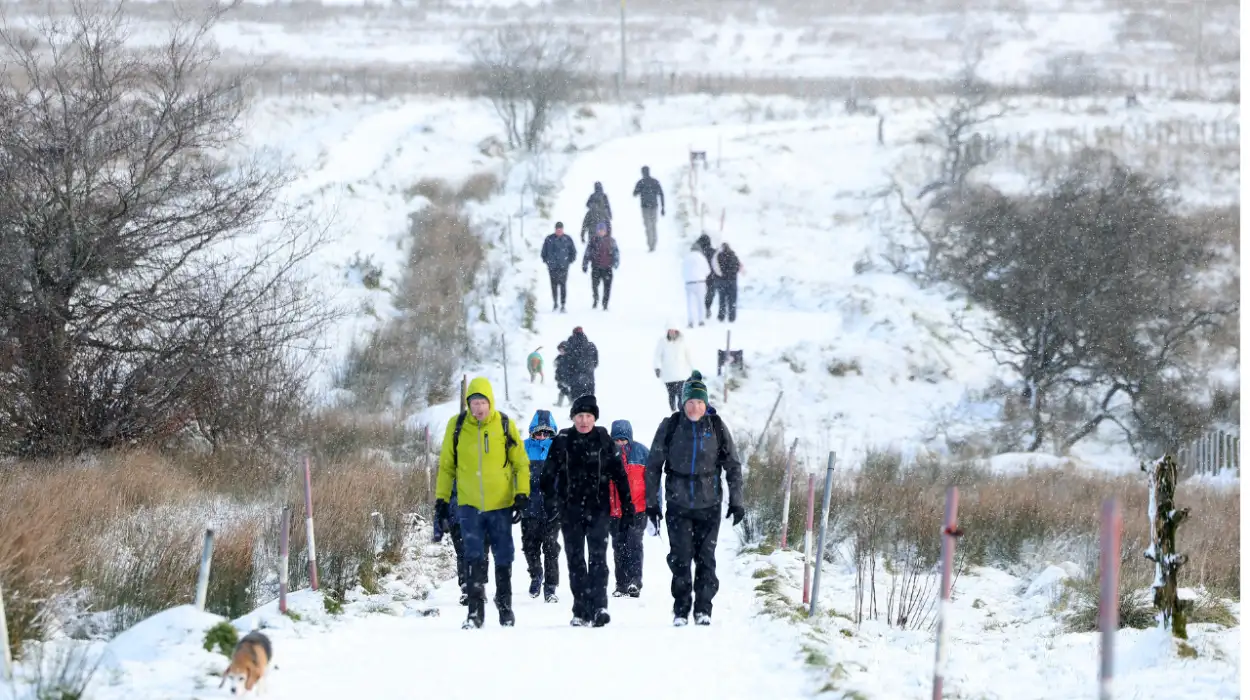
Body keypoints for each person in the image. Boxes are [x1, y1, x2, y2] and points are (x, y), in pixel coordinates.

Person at [644, 371, 744, 627]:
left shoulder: (717, 427)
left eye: (700, 402)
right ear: (683, 403)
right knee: (680, 557)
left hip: (709, 504)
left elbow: (732, 465)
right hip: (677, 504)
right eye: (690, 402)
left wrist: (737, 500)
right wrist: (652, 504)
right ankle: (681, 609)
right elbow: (653, 466)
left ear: (706, 403)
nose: (695, 407)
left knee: (705, 558)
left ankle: (703, 609)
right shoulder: (671, 426)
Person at [434, 377, 531, 629]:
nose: (477, 408)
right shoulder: (456, 427)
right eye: (473, 403)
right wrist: (442, 501)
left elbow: (520, 462)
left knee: (503, 557)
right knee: (473, 556)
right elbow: (446, 467)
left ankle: (505, 606)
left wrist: (521, 495)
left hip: (500, 504)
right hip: (469, 505)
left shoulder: (504, 425)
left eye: (482, 402)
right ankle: (475, 613)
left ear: (490, 402)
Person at [540, 395, 633, 627]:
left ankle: (600, 606)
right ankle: (580, 609)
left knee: (598, 559)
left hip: (598, 509)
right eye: (580, 416)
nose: (584, 421)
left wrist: (628, 505)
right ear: (573, 418)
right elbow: (547, 476)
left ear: (595, 418)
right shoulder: (562, 440)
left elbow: (619, 475)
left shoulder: (603, 439)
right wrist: (551, 503)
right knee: (575, 560)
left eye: (588, 416)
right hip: (569, 510)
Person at [522, 410, 562, 603]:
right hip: (529, 507)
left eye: (546, 433)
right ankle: (536, 575)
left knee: (551, 547)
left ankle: (551, 587)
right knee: (529, 546)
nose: (542, 436)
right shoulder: (523, 448)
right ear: (532, 432)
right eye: (538, 432)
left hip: (552, 509)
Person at [609, 420, 650, 598]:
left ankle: (635, 581)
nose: (620, 443)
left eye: (624, 440)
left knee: (634, 544)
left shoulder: (642, 453)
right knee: (619, 547)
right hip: (614, 511)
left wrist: (655, 504)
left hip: (637, 510)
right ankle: (621, 584)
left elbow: (652, 481)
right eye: (617, 440)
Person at [653, 324, 695, 412]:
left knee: (680, 394)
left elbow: (689, 356)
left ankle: (681, 413)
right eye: (670, 330)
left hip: (680, 374)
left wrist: (693, 369)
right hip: (668, 375)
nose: (671, 332)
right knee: (671, 394)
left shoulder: (683, 342)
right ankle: (673, 412)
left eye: (673, 330)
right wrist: (657, 368)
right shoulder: (662, 342)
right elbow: (657, 356)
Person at [540, 221, 577, 312]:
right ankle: (555, 303)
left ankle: (563, 304)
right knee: (553, 286)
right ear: (555, 229)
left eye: (560, 229)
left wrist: (569, 261)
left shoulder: (568, 239)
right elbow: (543, 252)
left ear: (563, 229)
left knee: (563, 285)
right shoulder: (549, 239)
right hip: (552, 267)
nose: (559, 231)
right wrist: (547, 261)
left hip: (563, 267)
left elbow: (573, 252)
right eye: (557, 229)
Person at [582, 221, 620, 310]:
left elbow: (616, 252)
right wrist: (585, 264)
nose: (601, 232)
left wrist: (616, 262)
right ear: (597, 231)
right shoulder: (593, 240)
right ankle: (595, 298)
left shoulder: (611, 241)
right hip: (596, 267)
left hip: (607, 268)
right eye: (599, 230)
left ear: (606, 231)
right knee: (594, 285)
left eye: (602, 230)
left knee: (607, 287)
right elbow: (587, 253)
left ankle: (605, 303)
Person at [632, 165, 666, 252]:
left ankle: (651, 245)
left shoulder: (641, 182)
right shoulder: (654, 182)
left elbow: (634, 193)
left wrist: (640, 191)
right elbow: (661, 194)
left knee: (648, 226)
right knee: (653, 225)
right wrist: (663, 207)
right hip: (654, 206)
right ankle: (653, 244)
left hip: (645, 207)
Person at [711, 242, 743, 323]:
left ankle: (721, 317)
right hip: (732, 281)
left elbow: (716, 268)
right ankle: (732, 317)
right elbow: (739, 266)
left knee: (722, 299)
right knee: (732, 300)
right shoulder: (733, 255)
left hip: (722, 281)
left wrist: (721, 275)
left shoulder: (719, 256)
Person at [564, 327, 598, 399]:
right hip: (589, 375)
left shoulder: (570, 345)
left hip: (575, 375)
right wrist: (591, 367)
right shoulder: (591, 345)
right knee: (589, 397)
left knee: (576, 400)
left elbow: (567, 361)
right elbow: (596, 361)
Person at [682, 242, 710, 328]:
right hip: (700, 282)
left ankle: (690, 321)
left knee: (690, 303)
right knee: (700, 302)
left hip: (689, 283)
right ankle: (701, 320)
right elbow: (708, 271)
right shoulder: (701, 258)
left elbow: (682, 271)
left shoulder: (686, 258)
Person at [694, 233, 717, 316]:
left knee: (700, 294)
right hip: (712, 276)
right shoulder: (714, 252)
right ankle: (707, 308)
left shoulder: (698, 253)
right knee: (710, 294)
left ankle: (701, 308)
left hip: (700, 276)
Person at [554, 341, 573, 407]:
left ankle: (563, 403)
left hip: (566, 377)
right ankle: (570, 402)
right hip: (560, 376)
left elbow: (570, 369)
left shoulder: (569, 358)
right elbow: (556, 365)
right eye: (560, 350)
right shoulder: (559, 357)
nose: (561, 352)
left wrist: (569, 377)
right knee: (564, 390)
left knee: (564, 390)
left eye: (563, 350)